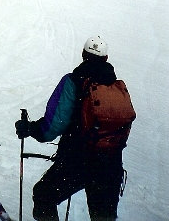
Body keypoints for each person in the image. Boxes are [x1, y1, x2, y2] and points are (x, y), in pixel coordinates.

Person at [15, 36, 130, 221]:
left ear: (83, 54)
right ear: (106, 58)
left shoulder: (72, 82)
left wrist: (30, 128)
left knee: (44, 195)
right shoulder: (117, 87)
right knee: (103, 216)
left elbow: (53, 126)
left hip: (78, 161)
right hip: (111, 164)